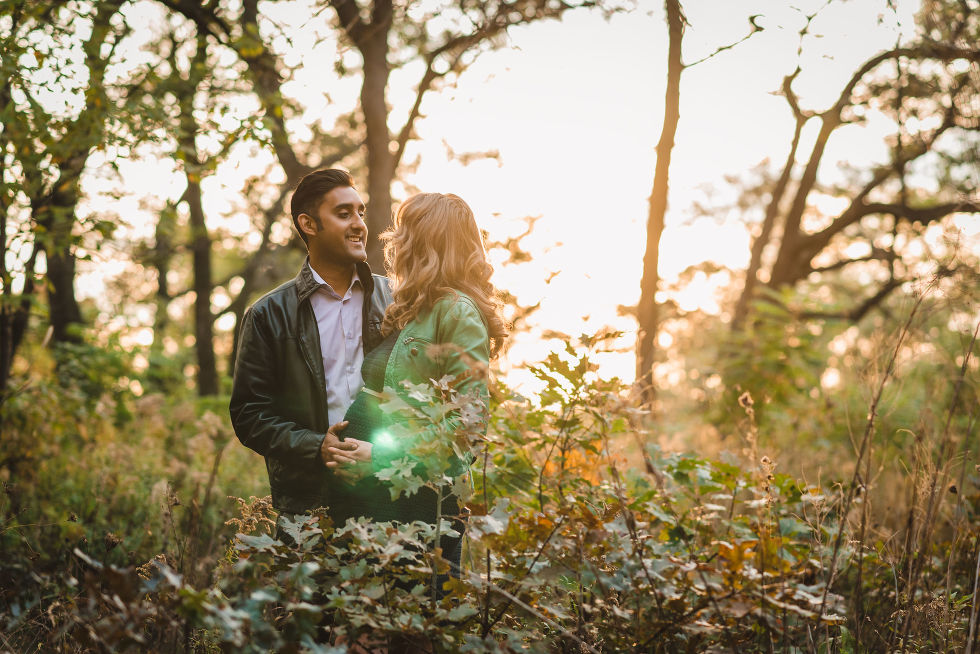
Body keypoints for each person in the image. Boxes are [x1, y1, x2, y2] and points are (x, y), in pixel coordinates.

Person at [318, 192, 508, 576]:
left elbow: (466, 435)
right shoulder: (412, 309)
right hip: (376, 501)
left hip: (416, 508)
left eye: (403, 231)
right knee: (364, 629)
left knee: (405, 629)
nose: (393, 239)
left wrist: (377, 459)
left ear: (426, 241)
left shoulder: (457, 312)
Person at [229, 168, 392, 522]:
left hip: (389, 491)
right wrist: (316, 445)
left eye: (360, 213)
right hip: (311, 504)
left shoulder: (396, 300)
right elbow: (248, 414)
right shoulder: (267, 315)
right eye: (343, 213)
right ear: (308, 224)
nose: (359, 224)